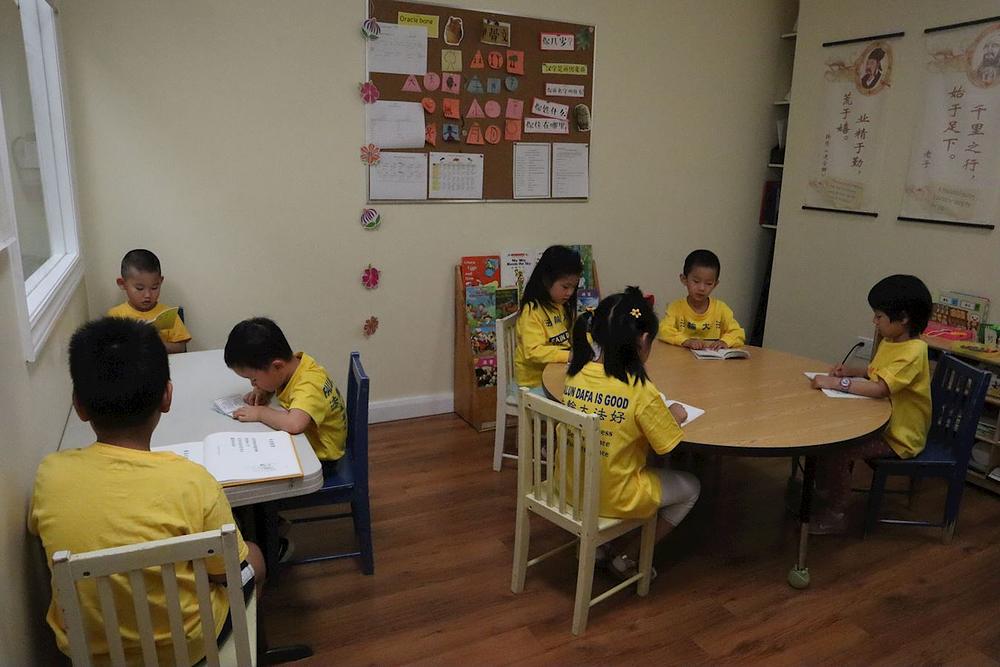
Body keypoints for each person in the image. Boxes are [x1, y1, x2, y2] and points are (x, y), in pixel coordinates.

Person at [28, 318, 264, 666]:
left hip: (91, 653)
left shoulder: (49, 476)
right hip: (189, 648)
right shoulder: (194, 481)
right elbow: (225, 574)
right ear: (167, 396)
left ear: (79, 405)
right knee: (253, 557)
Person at [563, 287, 700, 579]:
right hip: (615, 496)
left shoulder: (576, 374)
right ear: (644, 340)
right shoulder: (640, 390)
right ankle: (628, 558)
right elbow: (666, 445)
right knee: (692, 488)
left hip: (573, 487)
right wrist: (675, 414)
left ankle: (601, 547)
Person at [809, 274, 932, 534]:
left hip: (898, 436)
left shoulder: (914, 352)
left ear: (903, 318)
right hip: (881, 423)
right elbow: (875, 371)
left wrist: (835, 383)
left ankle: (837, 512)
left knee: (839, 450)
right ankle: (823, 491)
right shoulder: (891, 341)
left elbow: (880, 388)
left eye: (879, 316)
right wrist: (851, 371)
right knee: (826, 435)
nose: (874, 321)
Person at [224, 317, 346, 467]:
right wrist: (262, 390)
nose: (252, 384)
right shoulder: (295, 366)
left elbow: (294, 424)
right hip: (308, 444)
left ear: (277, 366)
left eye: (254, 379)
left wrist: (260, 413)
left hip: (323, 458)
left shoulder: (309, 384)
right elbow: (274, 380)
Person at [514, 246, 583, 390]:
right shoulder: (532, 311)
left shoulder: (560, 305)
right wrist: (568, 356)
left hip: (558, 373)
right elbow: (532, 352)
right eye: (565, 287)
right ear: (546, 280)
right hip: (534, 383)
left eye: (574, 287)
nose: (570, 293)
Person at [107, 249, 192, 353]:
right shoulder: (115, 315)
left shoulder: (168, 315)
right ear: (122, 284)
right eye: (139, 288)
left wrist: (158, 345)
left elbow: (181, 348)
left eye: (154, 288)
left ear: (160, 282)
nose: (148, 295)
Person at [657, 249, 745, 350]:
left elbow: (738, 333)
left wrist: (725, 342)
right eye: (696, 281)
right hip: (681, 358)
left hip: (712, 359)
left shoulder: (721, 309)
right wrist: (685, 341)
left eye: (709, 283)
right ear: (684, 279)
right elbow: (664, 330)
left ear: (715, 284)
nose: (702, 288)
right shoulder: (676, 307)